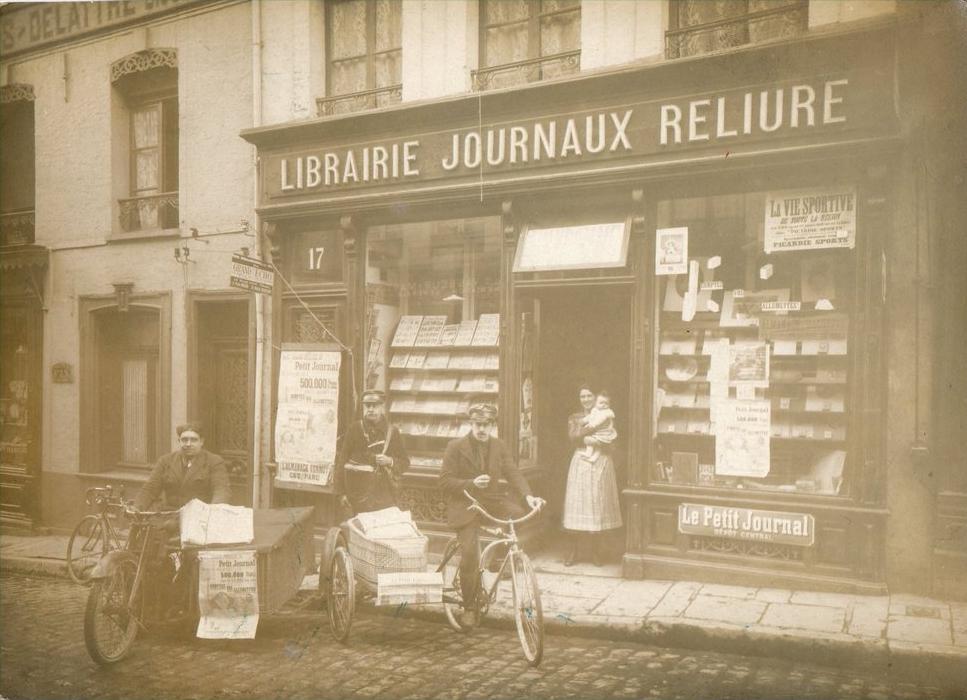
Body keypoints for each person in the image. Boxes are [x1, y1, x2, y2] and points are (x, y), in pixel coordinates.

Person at [439, 401, 544, 629]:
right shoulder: (455, 447)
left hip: (491, 501)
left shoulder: (499, 446)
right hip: (465, 504)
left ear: (492, 425)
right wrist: (471, 483)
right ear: (471, 423)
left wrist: (528, 497)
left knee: (518, 513)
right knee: (469, 555)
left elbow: (513, 472)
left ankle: (501, 556)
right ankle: (469, 606)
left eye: (486, 425)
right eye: (478, 424)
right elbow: (445, 481)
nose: (482, 429)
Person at [562, 385, 623, 567]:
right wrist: (591, 429)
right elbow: (573, 437)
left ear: (595, 397)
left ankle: (597, 552)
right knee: (577, 504)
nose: (586, 399)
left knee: (598, 505)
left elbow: (613, 441)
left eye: (589, 396)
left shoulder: (607, 414)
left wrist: (598, 440)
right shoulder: (575, 417)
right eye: (582, 396)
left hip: (601, 460)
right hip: (581, 460)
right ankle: (573, 551)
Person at [333, 389, 409, 515]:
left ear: (382, 407)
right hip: (358, 495)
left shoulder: (392, 432)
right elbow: (343, 460)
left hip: (385, 496)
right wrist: (341, 493)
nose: (371, 409)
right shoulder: (354, 429)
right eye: (368, 406)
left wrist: (390, 461)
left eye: (375, 406)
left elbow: (405, 462)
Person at [135, 422, 232, 512]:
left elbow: (221, 490)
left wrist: (214, 511)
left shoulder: (214, 462)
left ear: (201, 442)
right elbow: (150, 488)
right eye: (184, 440)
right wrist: (137, 508)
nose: (188, 444)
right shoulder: (166, 461)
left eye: (193, 440)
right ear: (179, 441)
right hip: (169, 514)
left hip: (198, 516)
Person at [579, 392, 616, 462]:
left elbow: (600, 420)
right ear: (595, 403)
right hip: (597, 432)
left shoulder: (607, 412)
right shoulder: (595, 410)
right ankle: (589, 453)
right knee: (591, 443)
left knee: (598, 447)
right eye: (601, 403)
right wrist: (584, 421)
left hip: (604, 433)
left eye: (606, 403)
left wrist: (592, 425)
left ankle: (594, 457)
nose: (603, 405)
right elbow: (590, 417)